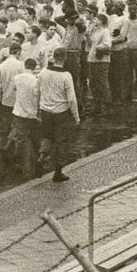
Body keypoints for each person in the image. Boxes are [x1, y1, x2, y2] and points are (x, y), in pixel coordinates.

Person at [37, 48, 80, 183]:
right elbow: (71, 98)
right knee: (61, 141)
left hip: (45, 110)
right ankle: (58, 172)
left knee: (47, 136)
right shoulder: (66, 75)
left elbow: (37, 90)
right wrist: (76, 116)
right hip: (61, 112)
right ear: (64, 58)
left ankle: (42, 156)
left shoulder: (43, 72)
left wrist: (38, 109)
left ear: (53, 57)